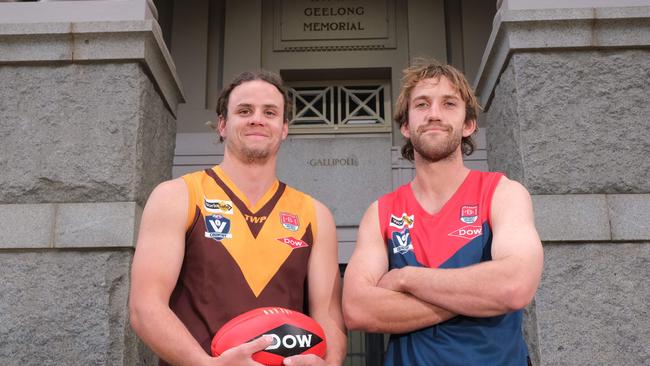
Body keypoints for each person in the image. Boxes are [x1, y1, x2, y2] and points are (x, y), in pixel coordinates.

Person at [129, 70, 347, 366]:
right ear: (222, 124)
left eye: (270, 112)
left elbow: (328, 316)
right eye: (244, 110)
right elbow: (146, 307)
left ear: (284, 128)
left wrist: (330, 364)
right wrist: (206, 364)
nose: (257, 119)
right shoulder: (178, 196)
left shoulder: (314, 214)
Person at [342, 59, 543, 365]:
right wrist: (477, 296)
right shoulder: (381, 212)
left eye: (449, 103)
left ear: (468, 124)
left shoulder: (502, 193)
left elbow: (514, 286)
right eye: (422, 104)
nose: (434, 114)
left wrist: (406, 278)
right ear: (406, 126)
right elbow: (357, 309)